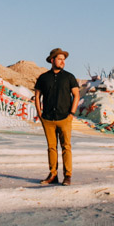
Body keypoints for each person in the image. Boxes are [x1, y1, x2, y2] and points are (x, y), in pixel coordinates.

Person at [34, 47, 80, 186]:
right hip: (48, 118)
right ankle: (53, 174)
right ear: (52, 60)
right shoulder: (43, 77)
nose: (62, 62)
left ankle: (67, 176)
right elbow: (37, 96)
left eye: (64, 60)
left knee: (66, 146)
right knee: (51, 147)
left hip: (64, 117)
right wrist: (39, 113)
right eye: (60, 59)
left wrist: (71, 113)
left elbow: (76, 95)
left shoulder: (69, 77)